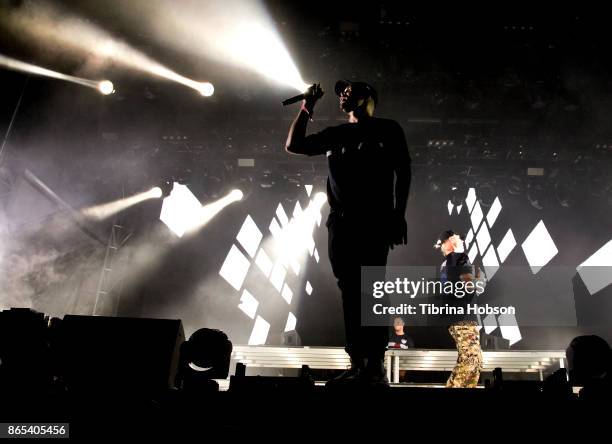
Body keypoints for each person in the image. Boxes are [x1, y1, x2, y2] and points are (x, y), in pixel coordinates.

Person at [285, 80, 411, 386]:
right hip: (341, 224)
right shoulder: (336, 134)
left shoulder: (387, 128)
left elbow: (403, 170)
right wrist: (307, 106)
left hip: (375, 223)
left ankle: (375, 365)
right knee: (350, 292)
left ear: (367, 97)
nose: (343, 94)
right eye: (341, 91)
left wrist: (398, 215)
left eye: (350, 90)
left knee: (369, 290)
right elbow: (294, 145)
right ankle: (358, 363)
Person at [435, 230, 483, 388]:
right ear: (448, 242)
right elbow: (467, 286)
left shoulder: (452, 261)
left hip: (462, 317)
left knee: (474, 363)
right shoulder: (457, 259)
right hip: (462, 318)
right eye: (456, 237)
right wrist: (478, 281)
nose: (461, 239)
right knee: (471, 361)